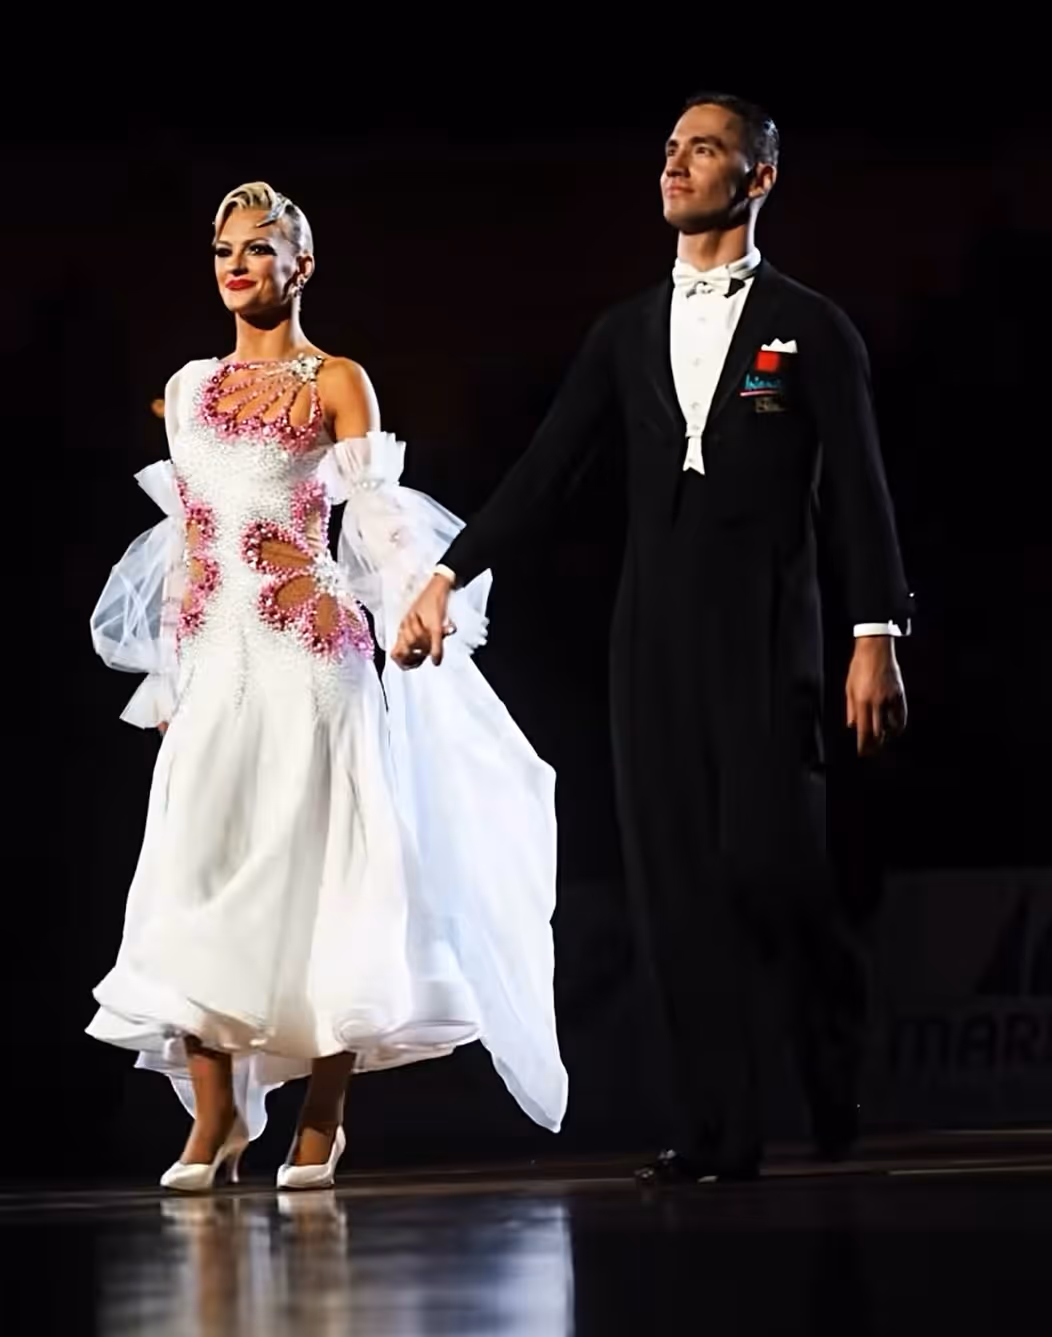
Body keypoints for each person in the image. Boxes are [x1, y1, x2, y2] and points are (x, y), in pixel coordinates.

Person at [395, 92, 913, 1181]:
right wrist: (447, 571)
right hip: (651, 640)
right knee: (674, 882)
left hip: (770, 635)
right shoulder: (621, 331)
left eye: (705, 149)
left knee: (771, 868)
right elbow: (544, 472)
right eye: (671, 149)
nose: (677, 166)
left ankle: (829, 1054)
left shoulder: (809, 327)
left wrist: (876, 629)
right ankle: (719, 1128)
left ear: (757, 176)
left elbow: (859, 494)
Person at [88, 182, 567, 1191]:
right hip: (216, 657)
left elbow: (375, 513)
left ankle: (322, 1115)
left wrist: (417, 596)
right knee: (194, 863)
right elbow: (189, 534)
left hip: (314, 653)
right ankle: (214, 1117)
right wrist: (170, 663)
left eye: (259, 249)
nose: (236, 264)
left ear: (300, 267)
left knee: (328, 871)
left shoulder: (336, 378)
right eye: (223, 247)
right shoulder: (183, 389)